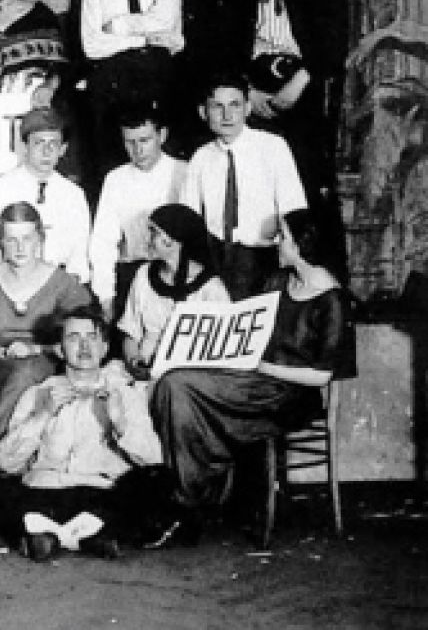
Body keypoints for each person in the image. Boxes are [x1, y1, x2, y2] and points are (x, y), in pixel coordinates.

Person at [148, 209, 349, 545]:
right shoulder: (278, 282)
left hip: (292, 396)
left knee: (179, 385)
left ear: (304, 244)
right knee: (174, 382)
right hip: (253, 382)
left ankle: (191, 501)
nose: (276, 243)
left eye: (283, 237)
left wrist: (265, 368)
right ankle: (195, 497)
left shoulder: (332, 300)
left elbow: (322, 376)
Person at [0, 307, 164, 561]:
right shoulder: (37, 394)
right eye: (73, 338)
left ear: (104, 348)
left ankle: (47, 533)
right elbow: (5, 463)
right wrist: (42, 416)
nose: (83, 346)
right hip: (42, 494)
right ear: (60, 349)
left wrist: (120, 423)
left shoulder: (126, 394)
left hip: (100, 492)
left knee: (158, 483)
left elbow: (153, 458)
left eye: (91, 337)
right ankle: (87, 535)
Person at [215, 0, 343, 218]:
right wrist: (247, 93)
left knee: (304, 167)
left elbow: (330, 40)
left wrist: (300, 81)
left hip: (299, 83)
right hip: (253, 86)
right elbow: (222, 47)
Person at [0, 202, 94, 454]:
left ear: (40, 239)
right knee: (17, 373)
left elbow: (80, 340)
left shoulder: (63, 284)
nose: (20, 248)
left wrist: (34, 348)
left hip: (44, 360)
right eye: (11, 240)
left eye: (27, 239)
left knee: (26, 371)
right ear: (0, 242)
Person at [80, 0, 185, 177]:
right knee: (116, 164)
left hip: (159, 73)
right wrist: (144, 36)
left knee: (166, 161)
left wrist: (119, 26)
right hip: (115, 79)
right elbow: (92, 45)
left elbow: (169, 24)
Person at [181, 71, 308, 299]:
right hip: (217, 259)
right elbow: (188, 218)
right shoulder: (200, 158)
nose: (227, 115)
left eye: (235, 105)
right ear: (203, 112)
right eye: (217, 107)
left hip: (265, 258)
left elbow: (294, 208)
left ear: (248, 108)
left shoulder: (273, 147)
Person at [88, 104, 189, 316]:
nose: (138, 150)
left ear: (162, 135)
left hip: (177, 273)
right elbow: (103, 242)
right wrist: (105, 295)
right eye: (130, 142)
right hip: (132, 274)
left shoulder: (184, 172)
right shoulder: (116, 179)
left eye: (145, 140)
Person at [119, 204, 231, 380]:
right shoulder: (143, 275)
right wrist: (135, 359)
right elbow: (131, 332)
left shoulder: (211, 288)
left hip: (191, 378)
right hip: (144, 373)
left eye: (153, 232)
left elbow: (223, 349)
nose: (147, 239)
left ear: (172, 240)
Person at [0, 108, 91, 281]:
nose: (46, 151)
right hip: (12, 282)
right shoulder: (0, 189)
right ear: (25, 146)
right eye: (39, 143)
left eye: (53, 144)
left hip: (59, 285)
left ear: (63, 149)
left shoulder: (73, 194)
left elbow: (79, 255)